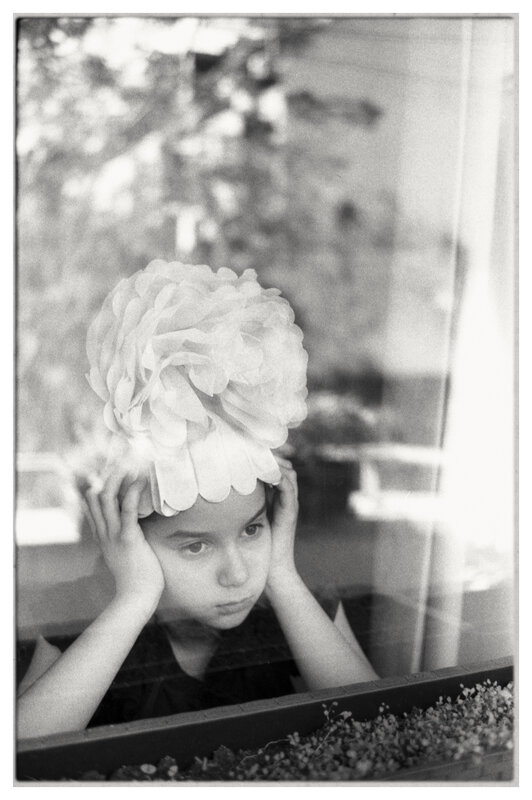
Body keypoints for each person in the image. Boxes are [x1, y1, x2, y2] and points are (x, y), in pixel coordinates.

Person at [17, 261, 377, 738]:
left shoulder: (294, 599)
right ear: (129, 538)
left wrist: (283, 577)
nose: (237, 574)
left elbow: (378, 726)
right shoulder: (85, 608)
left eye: (252, 530)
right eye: (196, 546)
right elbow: (21, 751)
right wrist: (134, 599)